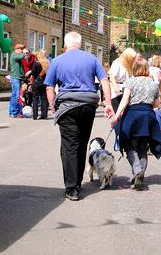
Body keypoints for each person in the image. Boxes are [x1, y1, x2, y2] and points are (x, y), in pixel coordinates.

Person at [45, 32, 114, 201]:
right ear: (80, 44)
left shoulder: (57, 60)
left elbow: (49, 87)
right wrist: (109, 103)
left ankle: (72, 188)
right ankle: (77, 182)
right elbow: (105, 80)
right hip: (88, 106)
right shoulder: (91, 59)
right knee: (82, 143)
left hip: (67, 107)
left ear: (66, 45)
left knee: (69, 146)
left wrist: (53, 106)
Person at [110, 58, 161, 190]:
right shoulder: (153, 84)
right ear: (146, 69)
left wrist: (116, 116)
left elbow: (124, 101)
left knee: (129, 145)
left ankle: (137, 171)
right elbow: (157, 104)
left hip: (132, 117)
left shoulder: (131, 82)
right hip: (148, 118)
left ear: (134, 69)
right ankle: (140, 173)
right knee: (142, 147)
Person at [108, 47, 137, 113]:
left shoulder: (128, 64)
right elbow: (112, 76)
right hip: (117, 92)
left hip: (125, 89)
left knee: (126, 113)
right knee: (119, 113)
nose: (133, 59)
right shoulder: (117, 63)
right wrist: (116, 87)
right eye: (132, 58)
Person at [31, 49, 50, 120]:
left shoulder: (36, 63)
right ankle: (44, 115)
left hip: (37, 82)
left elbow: (33, 73)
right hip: (45, 82)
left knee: (35, 99)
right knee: (44, 99)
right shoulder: (47, 63)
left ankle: (35, 116)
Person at [9, 44, 26, 118]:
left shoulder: (17, 56)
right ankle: (14, 112)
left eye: (22, 49)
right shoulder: (14, 55)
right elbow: (21, 56)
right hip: (15, 78)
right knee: (16, 96)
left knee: (14, 95)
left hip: (17, 78)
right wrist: (24, 53)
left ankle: (12, 112)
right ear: (17, 49)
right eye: (21, 49)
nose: (22, 50)